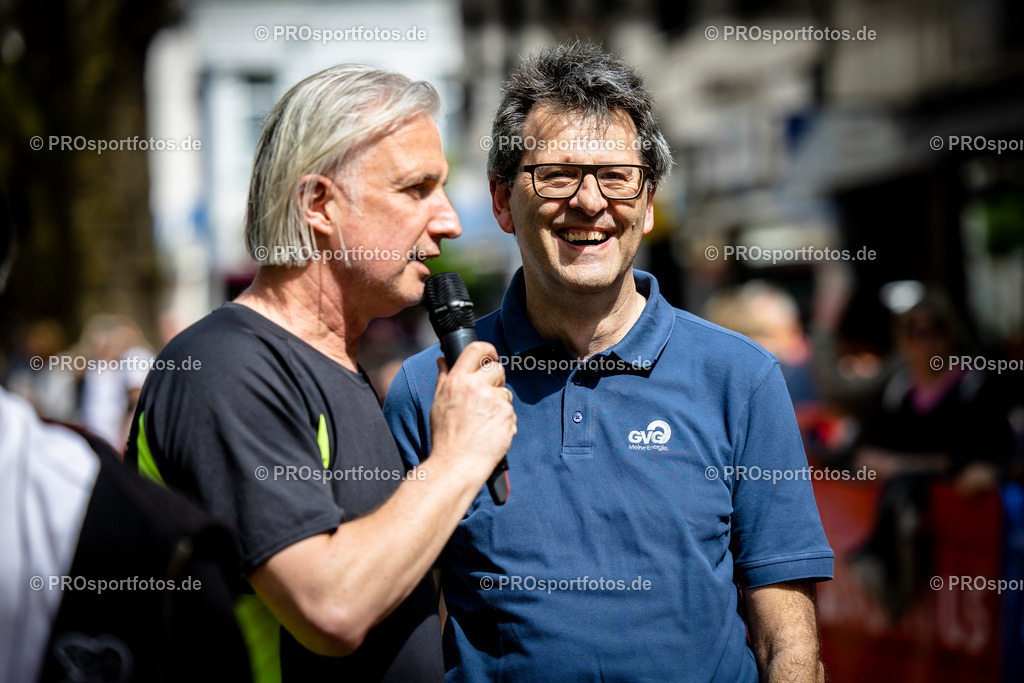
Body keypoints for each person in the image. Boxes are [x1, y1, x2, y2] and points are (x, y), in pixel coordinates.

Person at [384, 41, 833, 681]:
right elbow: (405, 635)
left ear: (648, 204)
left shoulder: (741, 378)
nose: (590, 203)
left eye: (616, 176)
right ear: (502, 201)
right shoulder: (428, 389)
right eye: (558, 174)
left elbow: (786, 643)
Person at [124, 65, 516, 682]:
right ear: (318, 204)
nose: (449, 222)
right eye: (416, 189)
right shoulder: (228, 367)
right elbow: (330, 607)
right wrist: (459, 458)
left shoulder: (339, 365)